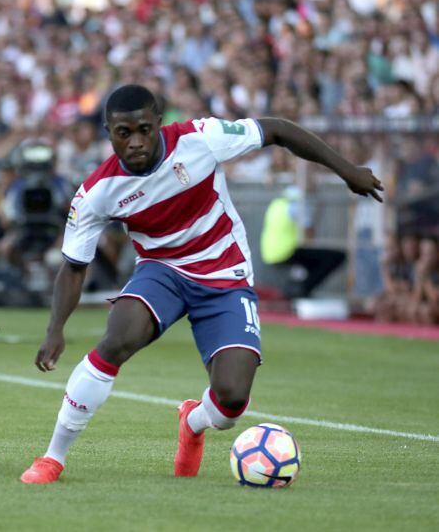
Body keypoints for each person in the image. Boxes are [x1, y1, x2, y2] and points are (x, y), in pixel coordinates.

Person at [20, 84, 383, 484]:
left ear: (159, 122)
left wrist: (347, 171)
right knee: (118, 337)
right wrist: (56, 329)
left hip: (226, 273)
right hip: (163, 271)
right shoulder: (96, 193)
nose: (136, 142)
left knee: (231, 402)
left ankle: (193, 422)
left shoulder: (200, 138)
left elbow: (278, 129)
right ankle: (53, 458)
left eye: (144, 129)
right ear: (109, 132)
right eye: (124, 133)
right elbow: (74, 267)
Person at [260, 186, 346, 298]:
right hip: (286, 251)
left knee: (311, 261)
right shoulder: (295, 205)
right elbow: (309, 233)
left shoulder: (276, 204)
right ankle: (301, 289)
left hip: (270, 253)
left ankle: (295, 288)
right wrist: (317, 212)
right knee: (335, 257)